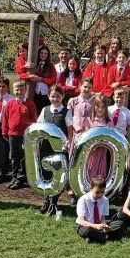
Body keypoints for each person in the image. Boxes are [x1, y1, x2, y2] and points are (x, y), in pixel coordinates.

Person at [37, 85, 74, 216]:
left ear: (62, 97)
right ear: (48, 97)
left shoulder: (66, 111)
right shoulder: (45, 110)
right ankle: (46, 201)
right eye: (52, 96)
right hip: (45, 148)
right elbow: (39, 127)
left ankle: (54, 202)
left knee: (57, 176)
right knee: (46, 175)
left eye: (58, 96)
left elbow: (70, 130)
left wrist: (68, 143)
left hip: (58, 150)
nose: (55, 99)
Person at [2, 80, 38, 190]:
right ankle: (14, 176)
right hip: (12, 134)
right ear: (13, 90)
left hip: (24, 136)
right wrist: (4, 132)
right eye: (17, 90)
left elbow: (34, 119)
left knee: (23, 157)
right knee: (13, 156)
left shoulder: (29, 104)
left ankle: (21, 178)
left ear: (25, 90)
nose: (19, 92)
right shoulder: (10, 104)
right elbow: (5, 119)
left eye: (21, 90)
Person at [75, 176, 126, 243]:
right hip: (86, 225)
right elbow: (82, 221)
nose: (100, 195)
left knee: (120, 224)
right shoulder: (83, 200)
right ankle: (105, 237)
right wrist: (95, 226)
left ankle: (97, 237)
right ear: (90, 189)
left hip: (99, 225)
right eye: (97, 192)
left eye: (102, 192)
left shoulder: (105, 200)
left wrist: (104, 226)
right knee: (85, 231)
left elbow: (103, 218)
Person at [82, 94, 114, 179]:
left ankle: (99, 190)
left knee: (101, 173)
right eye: (98, 106)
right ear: (94, 106)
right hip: (91, 153)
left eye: (103, 107)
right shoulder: (88, 121)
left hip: (103, 152)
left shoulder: (109, 122)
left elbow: (112, 137)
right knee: (90, 171)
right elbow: (85, 137)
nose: (100, 109)